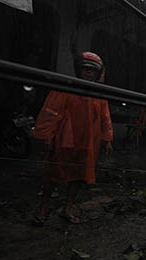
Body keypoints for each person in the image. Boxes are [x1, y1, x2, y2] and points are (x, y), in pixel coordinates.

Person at [31, 51, 113, 225]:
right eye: (84, 69)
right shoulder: (65, 87)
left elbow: (105, 117)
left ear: (97, 73)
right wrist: (45, 136)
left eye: (92, 70)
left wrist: (107, 138)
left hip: (88, 142)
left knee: (79, 177)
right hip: (64, 140)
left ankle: (67, 208)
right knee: (53, 175)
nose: (88, 73)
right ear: (78, 69)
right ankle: (43, 207)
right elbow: (51, 112)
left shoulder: (99, 94)